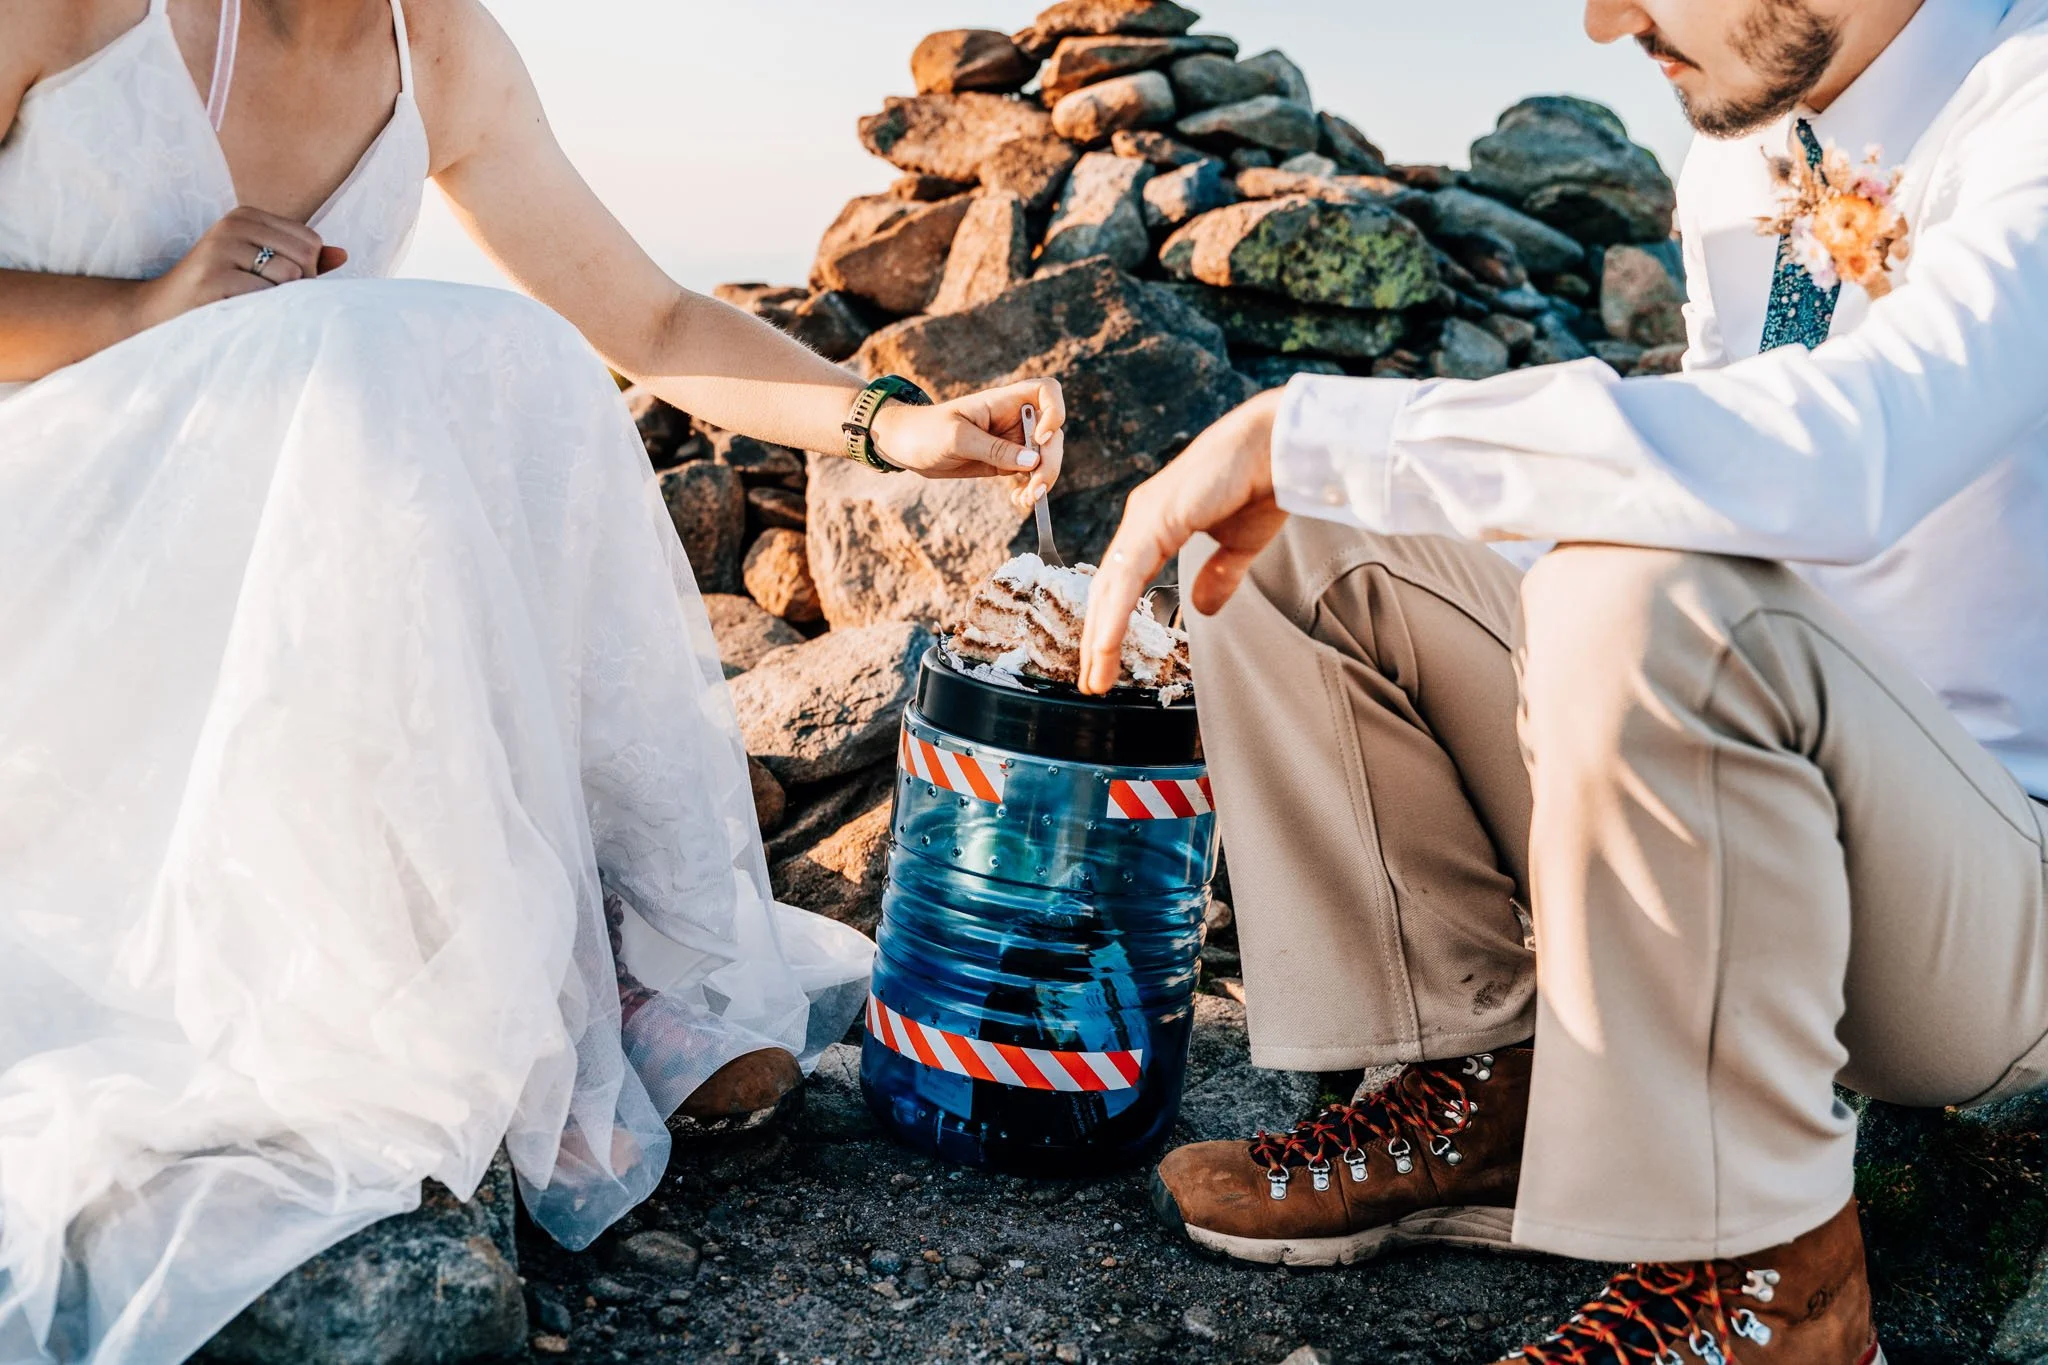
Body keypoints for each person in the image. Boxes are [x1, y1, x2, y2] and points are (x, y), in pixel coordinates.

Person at [0, 0, 1067, 1358]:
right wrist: (144, 308)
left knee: (507, 350)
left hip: (277, 587)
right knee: (361, 344)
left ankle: (595, 957)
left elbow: (654, 318)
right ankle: (559, 977)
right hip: (51, 551)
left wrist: (894, 428)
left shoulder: (438, 47)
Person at [1082, 0, 2048, 1358]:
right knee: (1287, 547)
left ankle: (1777, 1292)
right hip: (1754, 815)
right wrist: (1328, 476)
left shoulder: (2030, 102)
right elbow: (1701, 481)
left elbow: (1852, 453)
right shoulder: (1747, 139)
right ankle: (1488, 1086)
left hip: (1993, 903)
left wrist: (1331, 430)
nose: (1606, 21)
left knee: (1624, 589)